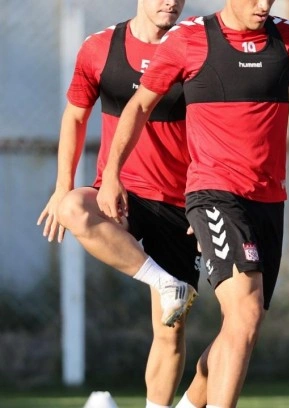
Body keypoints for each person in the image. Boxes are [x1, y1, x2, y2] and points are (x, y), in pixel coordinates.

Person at [95, 1, 289, 406]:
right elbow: (139, 106)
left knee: (243, 325)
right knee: (245, 315)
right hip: (213, 192)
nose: (264, 5)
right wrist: (112, 174)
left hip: (269, 201)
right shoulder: (189, 38)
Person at [36, 1, 198, 407]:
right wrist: (62, 186)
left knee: (170, 330)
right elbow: (75, 117)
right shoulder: (100, 48)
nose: (171, 1)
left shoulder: (198, 46)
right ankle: (164, 281)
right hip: (120, 194)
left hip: (180, 203)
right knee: (72, 207)